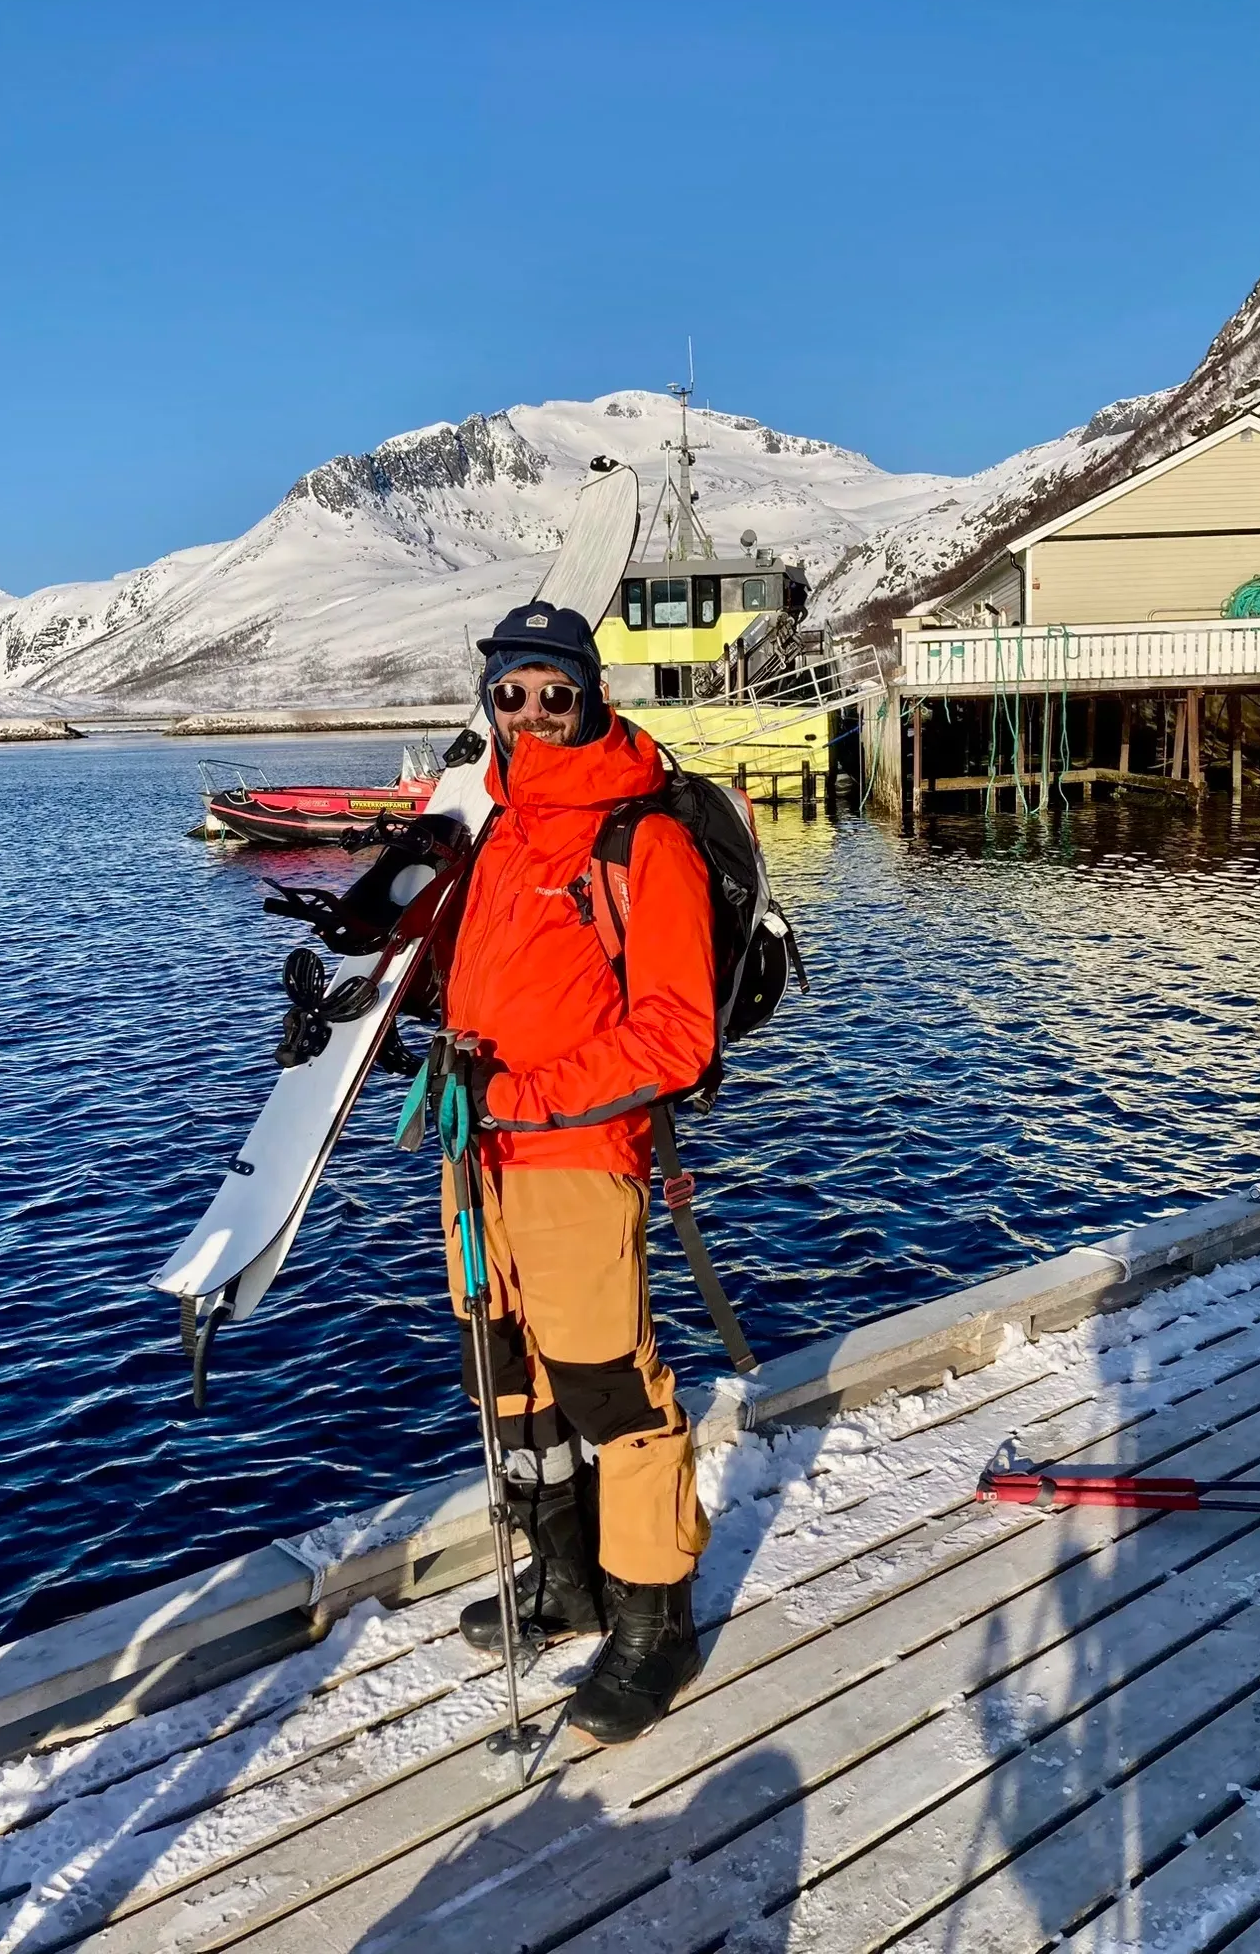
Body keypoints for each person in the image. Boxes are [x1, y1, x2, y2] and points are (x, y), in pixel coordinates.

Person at [439, 599, 716, 1744]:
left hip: (574, 1153)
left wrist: (524, 1095)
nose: (535, 712)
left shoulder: (640, 839)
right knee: (505, 1370)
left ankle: (657, 1619)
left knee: (611, 1385)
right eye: (513, 693)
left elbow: (676, 1037)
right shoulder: (496, 827)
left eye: (557, 691)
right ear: (492, 703)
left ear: (592, 694)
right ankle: (565, 1578)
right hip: (476, 1156)